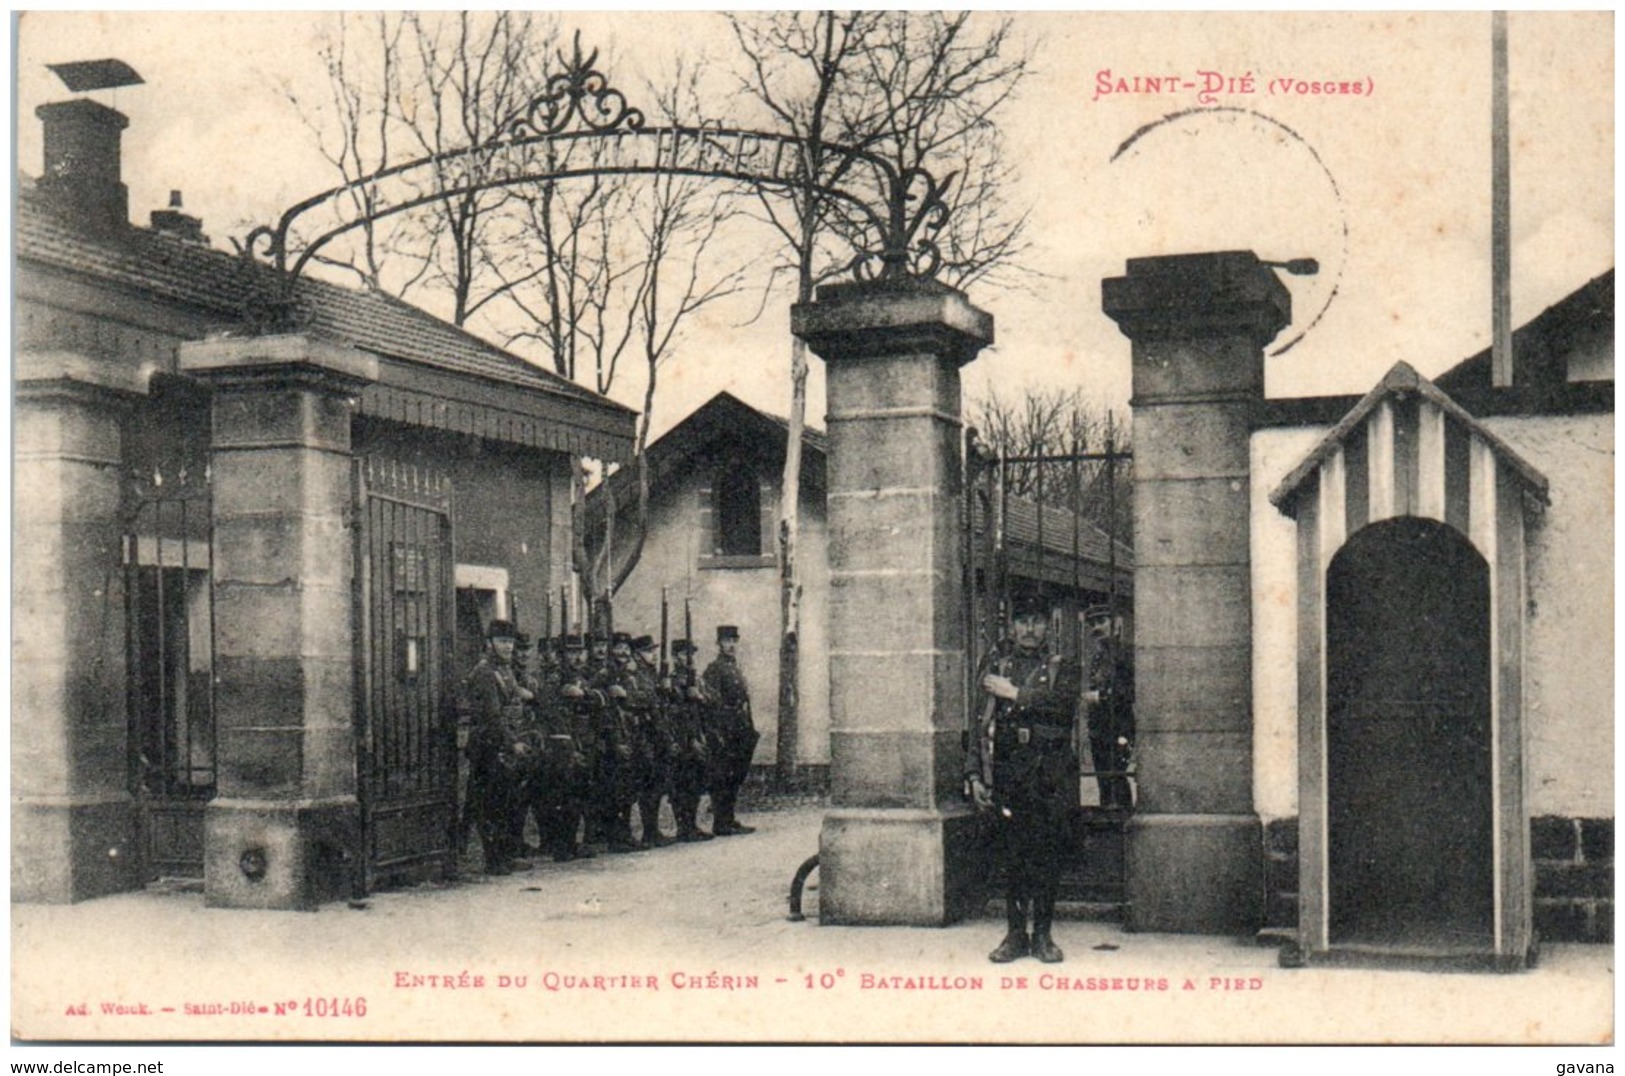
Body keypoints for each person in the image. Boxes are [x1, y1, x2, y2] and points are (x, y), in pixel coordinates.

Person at [965, 592, 1082, 964]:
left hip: (1049, 772)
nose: (1030, 629)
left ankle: (1044, 935)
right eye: (1023, 621)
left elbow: (1062, 708)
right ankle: (1015, 935)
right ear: (1012, 626)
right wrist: (974, 774)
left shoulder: (1064, 665)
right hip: (1009, 771)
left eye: (1037, 621)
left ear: (1049, 626)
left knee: (1046, 855)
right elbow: (979, 722)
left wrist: (1015, 693)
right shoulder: (997, 663)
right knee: (1013, 856)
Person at [464, 619, 535, 876]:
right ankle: (494, 860)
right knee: (491, 804)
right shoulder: (485, 672)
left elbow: (513, 701)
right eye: (502, 641)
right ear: (489, 643)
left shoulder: (505, 671)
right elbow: (493, 717)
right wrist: (512, 742)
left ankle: (506, 854)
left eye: (510, 642)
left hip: (504, 745)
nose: (508, 647)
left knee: (508, 801)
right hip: (488, 746)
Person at [701, 625, 759, 836]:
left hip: (739, 727)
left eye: (734, 641)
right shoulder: (715, 669)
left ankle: (729, 817)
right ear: (719, 644)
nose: (731, 645)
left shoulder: (735, 667)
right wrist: (719, 730)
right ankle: (720, 821)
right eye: (727, 641)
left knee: (736, 774)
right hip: (725, 730)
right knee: (723, 775)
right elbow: (711, 702)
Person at [1082, 605, 1135, 810]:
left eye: (1102, 622)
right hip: (1099, 725)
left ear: (1116, 624)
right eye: (1093, 624)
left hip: (1119, 724)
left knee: (1116, 775)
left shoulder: (1125, 653)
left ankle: (1122, 818)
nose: (1097, 628)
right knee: (1103, 777)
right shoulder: (1097, 656)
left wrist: (1101, 697)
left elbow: (1130, 691)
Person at [665, 638, 713, 842]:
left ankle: (691, 824)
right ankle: (682, 827)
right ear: (675, 657)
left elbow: (712, 700)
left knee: (695, 781)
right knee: (680, 782)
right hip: (680, 736)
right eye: (684, 654)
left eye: (691, 654)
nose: (689, 658)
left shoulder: (698, 679)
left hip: (697, 735)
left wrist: (700, 696)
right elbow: (667, 708)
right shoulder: (670, 680)